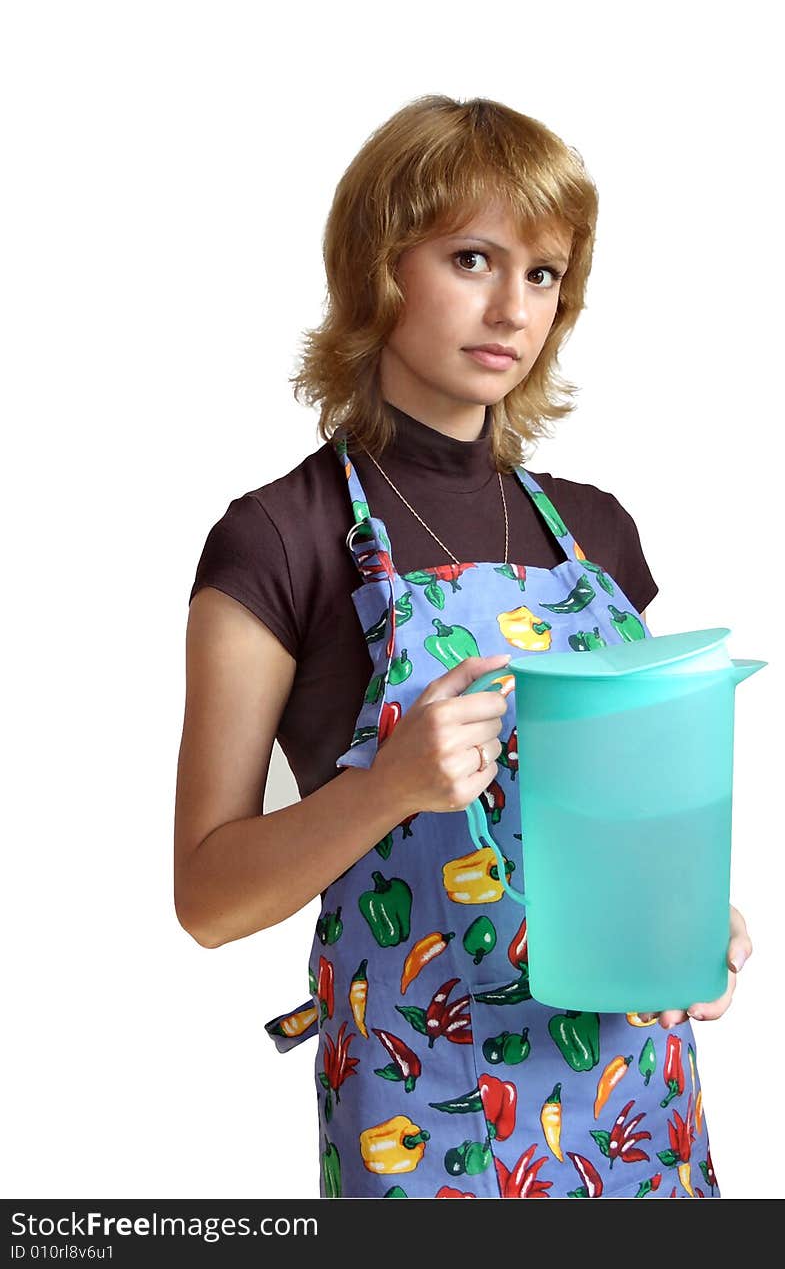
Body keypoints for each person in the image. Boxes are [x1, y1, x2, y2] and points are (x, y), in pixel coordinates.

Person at [175, 94, 752, 1200]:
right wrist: (386, 787)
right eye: (473, 258)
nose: (512, 309)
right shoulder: (279, 539)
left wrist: (692, 921)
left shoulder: (595, 531)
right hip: (427, 1108)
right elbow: (207, 898)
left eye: (543, 275)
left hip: (638, 1105)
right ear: (379, 266)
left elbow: (630, 822)